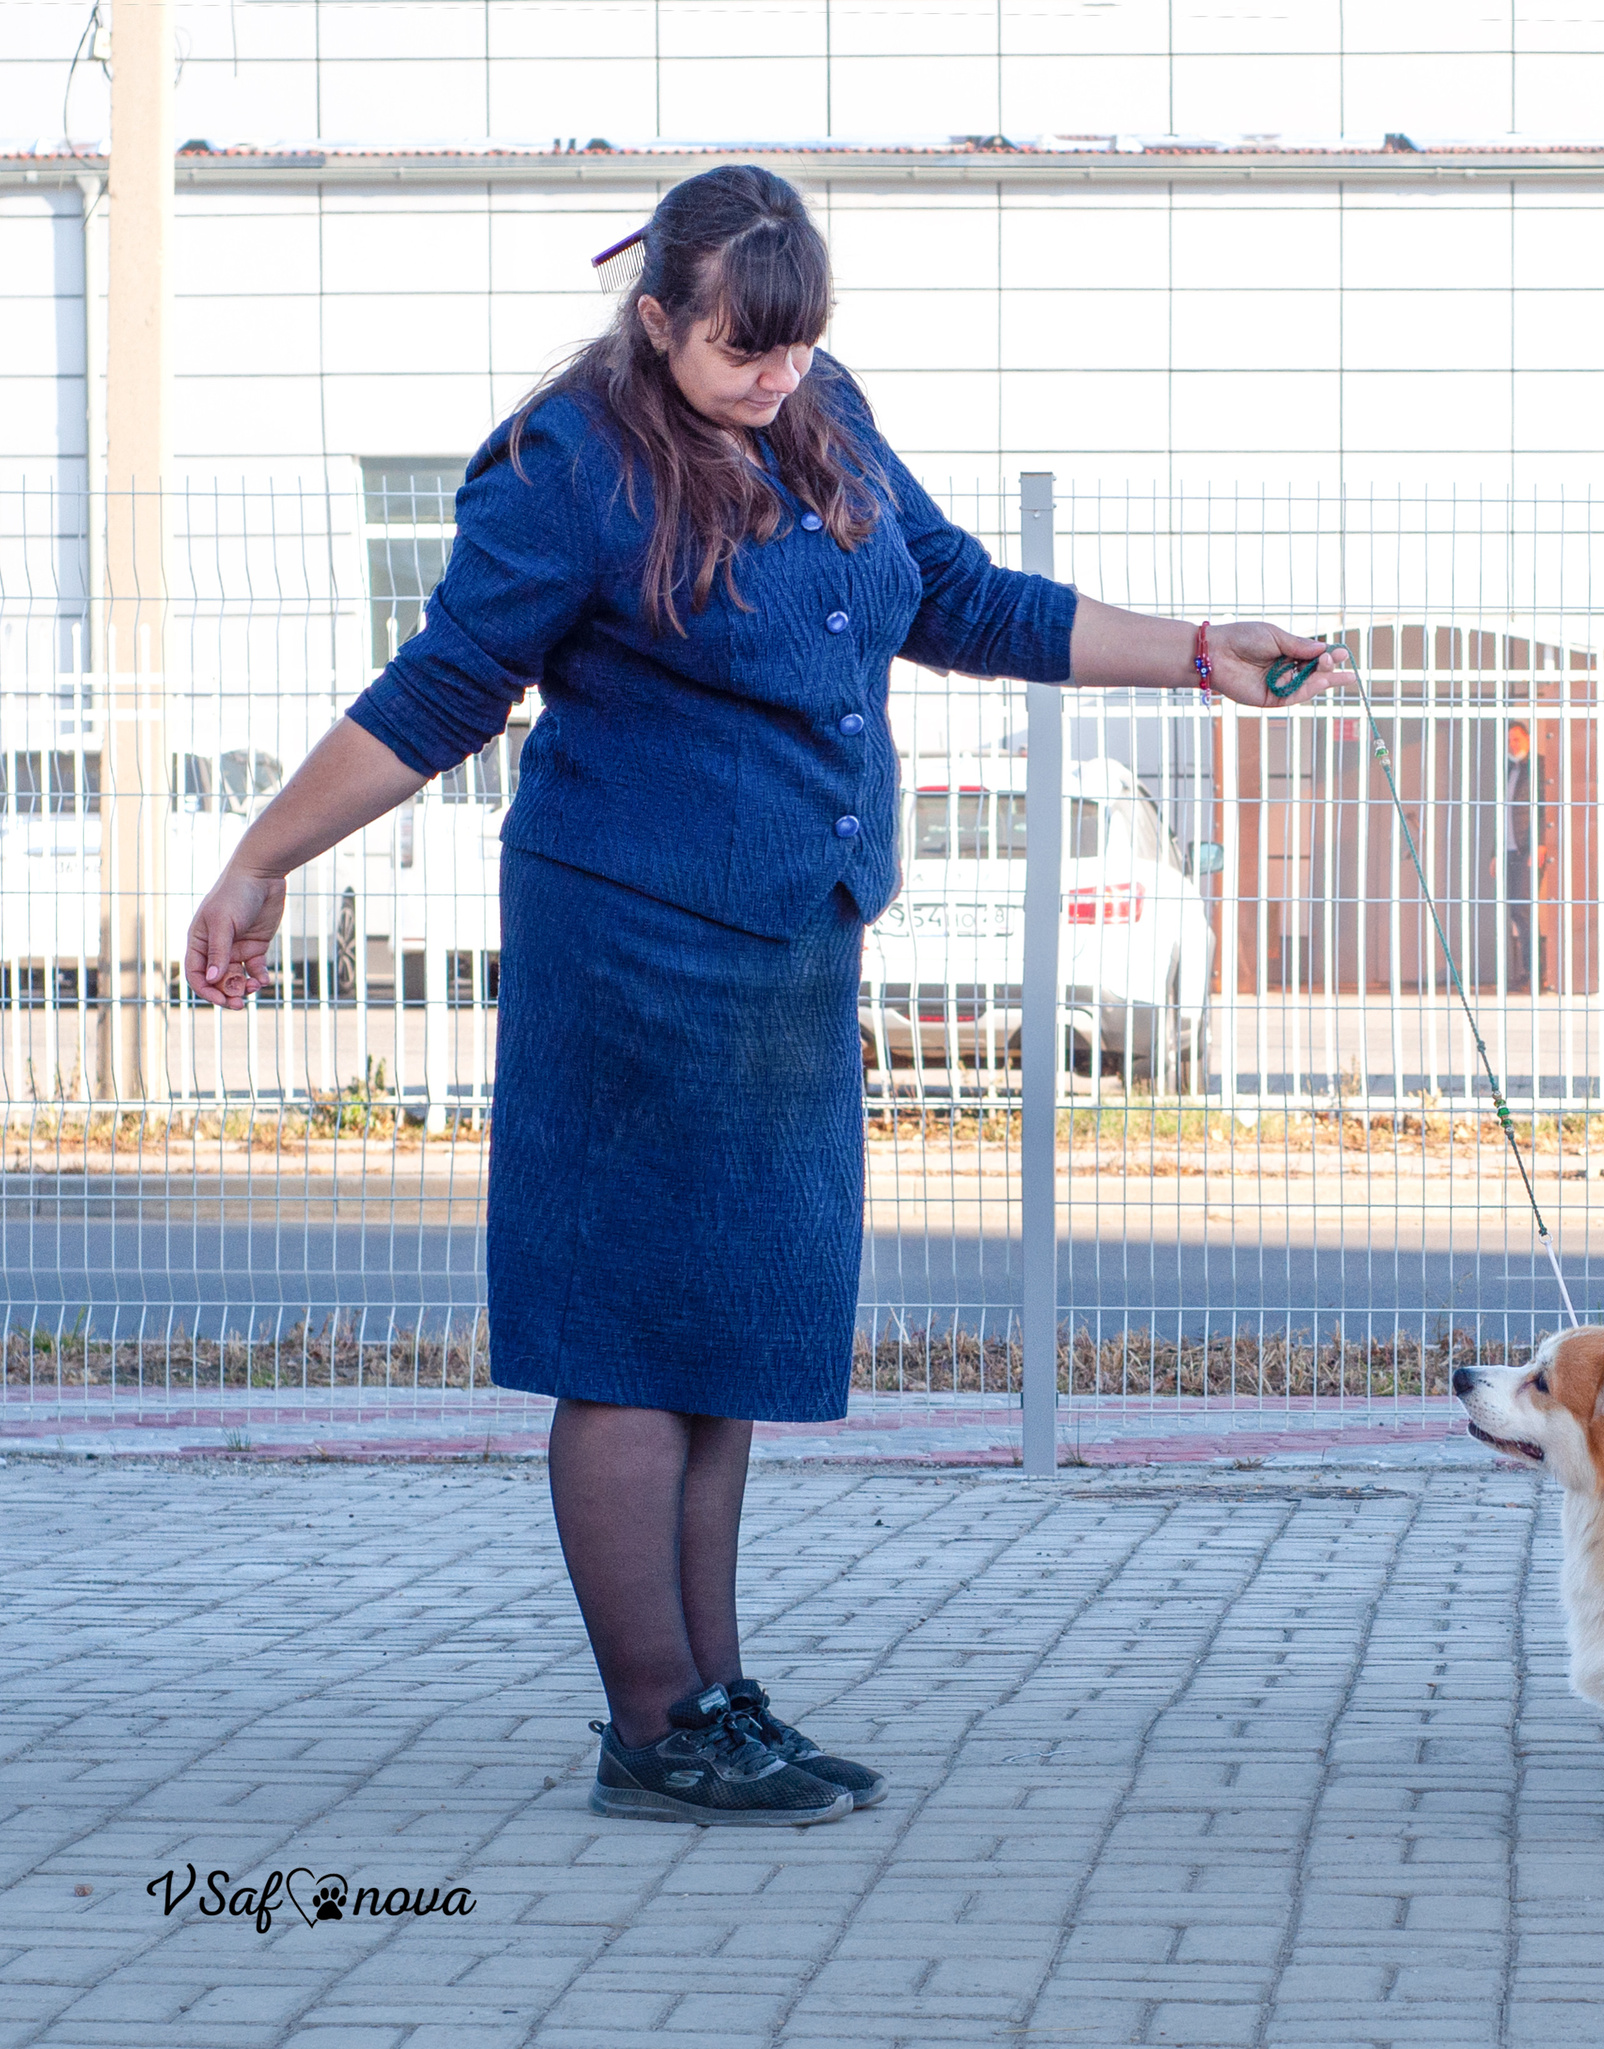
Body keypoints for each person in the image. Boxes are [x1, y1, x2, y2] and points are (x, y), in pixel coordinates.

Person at [183, 164, 1345, 1827]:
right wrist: (261, 854)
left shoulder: (825, 415)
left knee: (727, 1334)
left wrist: (1197, 650)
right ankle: (649, 1724)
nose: (775, 377)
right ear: (656, 318)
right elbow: (443, 685)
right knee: (630, 1338)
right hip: (633, 951)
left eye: (798, 349)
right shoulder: (565, 467)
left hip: (791, 945)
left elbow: (952, 595)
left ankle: (713, 1695)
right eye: (741, 352)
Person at [1501, 720, 1551, 994]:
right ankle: (1527, 972)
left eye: (1517, 739)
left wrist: (1540, 844)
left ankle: (1538, 975)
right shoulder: (1507, 769)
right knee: (1517, 913)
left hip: (1528, 851)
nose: (1513, 744)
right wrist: (1496, 852)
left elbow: (1545, 806)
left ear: (1529, 740)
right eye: (1509, 740)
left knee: (1524, 911)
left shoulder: (1538, 766)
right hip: (1509, 850)